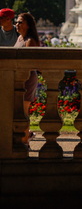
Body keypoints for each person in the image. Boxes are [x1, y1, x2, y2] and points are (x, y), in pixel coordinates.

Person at [14, 12, 41, 147]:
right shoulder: (20, 38)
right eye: (16, 22)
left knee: (24, 111)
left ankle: (25, 141)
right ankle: (26, 136)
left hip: (27, 78)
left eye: (20, 22)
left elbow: (29, 65)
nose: (17, 24)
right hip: (18, 78)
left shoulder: (30, 41)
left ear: (28, 25)